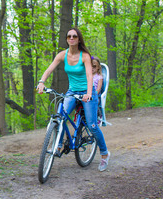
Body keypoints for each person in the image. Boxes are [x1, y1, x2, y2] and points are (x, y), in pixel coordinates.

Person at [36, 28, 110, 172]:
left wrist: (89, 93)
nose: (71, 38)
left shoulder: (85, 56)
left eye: (74, 36)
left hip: (88, 93)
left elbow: (89, 76)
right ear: (66, 39)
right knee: (61, 116)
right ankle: (57, 145)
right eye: (69, 36)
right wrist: (41, 81)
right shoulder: (62, 55)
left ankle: (105, 154)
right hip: (72, 91)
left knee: (92, 125)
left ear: (78, 39)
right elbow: (49, 69)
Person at [92, 56, 104, 125]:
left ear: (98, 67)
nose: (92, 68)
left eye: (94, 66)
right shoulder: (87, 76)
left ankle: (98, 115)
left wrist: (94, 93)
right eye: (90, 66)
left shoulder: (99, 77)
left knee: (94, 102)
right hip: (86, 94)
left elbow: (99, 88)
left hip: (95, 95)